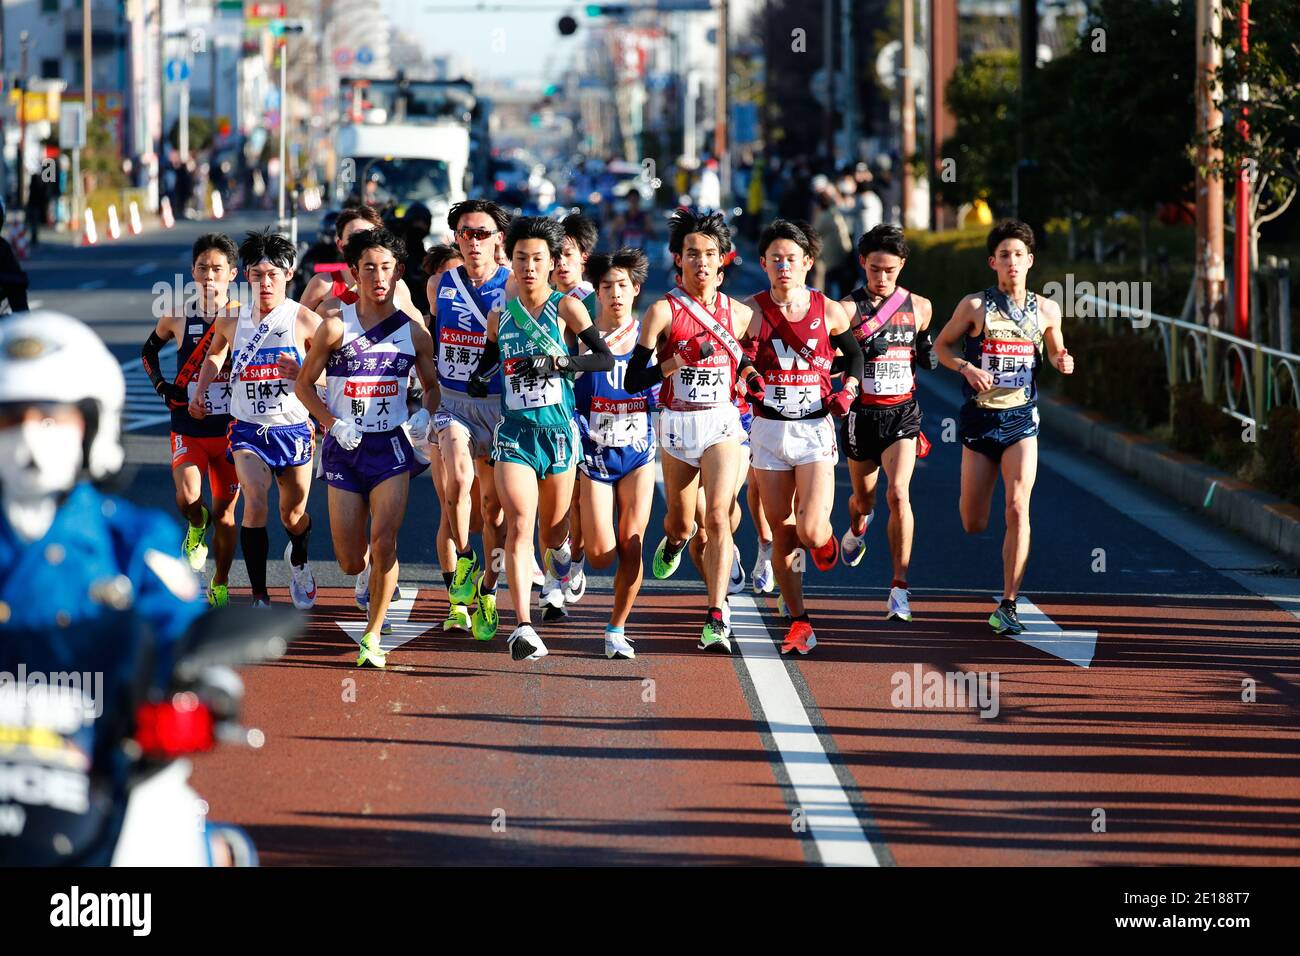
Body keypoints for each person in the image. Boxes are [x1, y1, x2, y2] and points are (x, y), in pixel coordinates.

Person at [0, 310, 204, 671]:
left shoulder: (135, 539)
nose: (29, 437)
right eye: (10, 420)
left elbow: (184, 636)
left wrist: (208, 684)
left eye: (50, 417)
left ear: (93, 429)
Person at [465, 216, 614, 661]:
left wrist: (562, 364)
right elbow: (489, 365)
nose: (528, 267)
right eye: (520, 259)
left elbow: (603, 359)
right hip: (515, 434)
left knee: (552, 536)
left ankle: (563, 555)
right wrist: (477, 380)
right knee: (517, 525)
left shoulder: (567, 308)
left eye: (537, 259)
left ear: (551, 263)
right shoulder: (499, 317)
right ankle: (524, 628)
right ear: (509, 262)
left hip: (559, 434)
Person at [293, 228, 438, 667]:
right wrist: (333, 424)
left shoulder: (414, 334)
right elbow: (303, 387)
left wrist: (424, 414)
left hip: (391, 447)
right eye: (369, 268)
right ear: (354, 273)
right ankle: (370, 571)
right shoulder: (335, 327)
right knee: (351, 559)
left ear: (399, 274)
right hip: (343, 449)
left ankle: (372, 636)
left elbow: (432, 388)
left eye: (387, 268)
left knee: (386, 540)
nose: (378, 276)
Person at [622, 208, 757, 653]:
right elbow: (633, 381)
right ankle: (676, 542)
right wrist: (679, 359)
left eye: (710, 254)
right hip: (678, 425)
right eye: (692, 254)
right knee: (681, 523)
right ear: (677, 259)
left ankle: (716, 614)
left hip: (722, 422)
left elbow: (750, 361)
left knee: (717, 516)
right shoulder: (661, 311)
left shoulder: (740, 315)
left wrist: (752, 376)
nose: (701, 262)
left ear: (723, 260)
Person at [933, 219, 1074, 634]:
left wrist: (1064, 359)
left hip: (1021, 420)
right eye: (1004, 255)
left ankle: (1008, 603)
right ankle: (1003, 589)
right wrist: (966, 367)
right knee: (973, 521)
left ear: (1030, 261)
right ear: (992, 262)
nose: (1012, 262)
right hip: (980, 420)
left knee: (1017, 505)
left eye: (1019, 255)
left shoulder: (1047, 309)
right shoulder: (975, 306)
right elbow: (942, 346)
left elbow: (1056, 348)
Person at [738, 219, 863, 654]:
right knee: (782, 532)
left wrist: (847, 389)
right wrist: (749, 375)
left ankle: (826, 539)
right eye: (776, 259)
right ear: (763, 264)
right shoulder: (749, 311)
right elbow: (738, 357)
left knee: (809, 530)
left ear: (808, 262)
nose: (784, 266)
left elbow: (856, 355)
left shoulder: (829, 310)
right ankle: (798, 620)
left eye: (792, 258)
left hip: (812, 430)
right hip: (769, 430)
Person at [190, 229, 321, 609]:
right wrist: (201, 390)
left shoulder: (305, 320)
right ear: (247, 276)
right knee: (256, 502)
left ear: (288, 274)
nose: (265, 283)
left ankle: (299, 559)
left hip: (293, 428)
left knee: (293, 514)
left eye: (273, 275)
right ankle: (260, 596)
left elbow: (332, 374)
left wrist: (304, 373)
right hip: (247, 429)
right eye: (257, 274)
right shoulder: (231, 320)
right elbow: (215, 355)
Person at [837, 225, 937, 622]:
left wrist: (927, 353)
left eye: (890, 271)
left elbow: (925, 344)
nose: (881, 278)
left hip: (903, 414)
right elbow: (830, 363)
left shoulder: (921, 306)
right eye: (875, 269)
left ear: (901, 267)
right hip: (862, 416)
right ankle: (857, 528)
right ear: (863, 263)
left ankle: (899, 588)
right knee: (865, 501)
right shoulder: (845, 310)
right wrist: (854, 359)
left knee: (898, 494)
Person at [140, 233, 243, 606]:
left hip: (232, 432)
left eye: (217, 269)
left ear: (232, 274)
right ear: (192, 272)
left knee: (227, 515)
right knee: (187, 498)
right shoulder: (177, 314)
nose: (209, 277)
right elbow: (149, 352)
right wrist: (162, 387)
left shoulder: (243, 318)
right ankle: (196, 526)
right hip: (189, 426)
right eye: (202, 268)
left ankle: (220, 580)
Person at [431, 199, 514, 637]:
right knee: (458, 481)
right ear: (456, 240)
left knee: (493, 513)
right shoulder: (439, 284)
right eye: (466, 234)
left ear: (499, 238)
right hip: (454, 403)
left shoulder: (514, 284)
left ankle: (488, 591)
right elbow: (429, 337)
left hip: (500, 408)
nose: (474, 242)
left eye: (483, 233)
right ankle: (465, 558)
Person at [574, 249, 658, 659]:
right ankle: (575, 534)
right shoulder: (581, 338)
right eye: (606, 286)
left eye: (622, 285)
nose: (615, 294)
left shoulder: (649, 338)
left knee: (632, 541)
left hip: (638, 453)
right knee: (601, 554)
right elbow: (566, 398)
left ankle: (616, 629)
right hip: (594, 455)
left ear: (636, 289)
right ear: (596, 292)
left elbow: (663, 393)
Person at [543, 212, 600, 619]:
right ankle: (551, 579)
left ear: (584, 255)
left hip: (590, 411)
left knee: (577, 499)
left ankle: (574, 559)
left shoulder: (600, 299)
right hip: (546, 411)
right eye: (555, 255)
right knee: (548, 497)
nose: (560, 263)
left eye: (568, 254)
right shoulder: (537, 301)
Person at [300, 205, 412, 315]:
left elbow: (414, 326)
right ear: (340, 245)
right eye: (354, 237)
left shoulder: (395, 285)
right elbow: (298, 327)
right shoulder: (323, 284)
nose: (362, 244)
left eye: (369, 237)